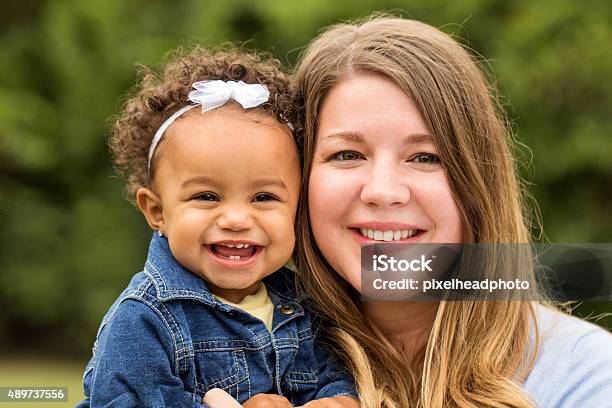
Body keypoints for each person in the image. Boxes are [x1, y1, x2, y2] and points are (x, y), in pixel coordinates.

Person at [290, 16, 612, 408]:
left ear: (478, 181)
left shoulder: (584, 374)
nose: (383, 192)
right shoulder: (227, 360)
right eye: (347, 155)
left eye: (426, 157)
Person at [77, 48, 358, 408]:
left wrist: (336, 400)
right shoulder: (144, 320)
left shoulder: (305, 302)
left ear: (298, 207)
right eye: (208, 196)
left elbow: (332, 376)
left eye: (264, 197)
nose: (237, 219)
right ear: (157, 210)